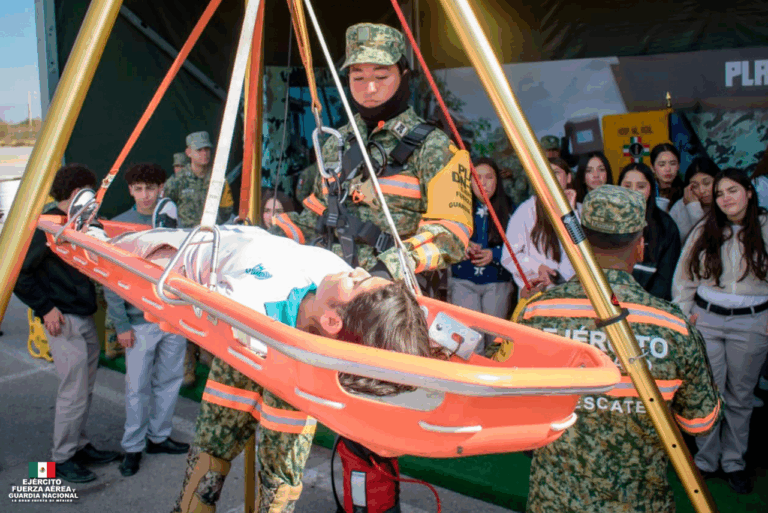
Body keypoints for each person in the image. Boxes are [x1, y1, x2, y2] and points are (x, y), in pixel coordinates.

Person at [104, 225, 432, 512]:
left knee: (276, 481)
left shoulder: (260, 301)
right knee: (209, 457)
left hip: (287, 377)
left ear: (333, 322)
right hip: (245, 360)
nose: (358, 270)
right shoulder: (317, 280)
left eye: (360, 280)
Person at [517, 185, 721, 512]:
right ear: (640, 246)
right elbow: (700, 423)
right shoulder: (674, 327)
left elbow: (515, 408)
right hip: (639, 504)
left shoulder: (538, 313)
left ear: (578, 242)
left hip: (554, 502)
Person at [270, 23, 472, 291]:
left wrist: (389, 268)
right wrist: (269, 236)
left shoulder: (434, 147)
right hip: (331, 291)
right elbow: (316, 218)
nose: (371, 88)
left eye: (382, 75)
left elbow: (452, 233)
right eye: (358, 78)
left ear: (404, 75)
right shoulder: (336, 143)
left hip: (396, 299)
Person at [14, 164, 120, 483]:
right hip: (64, 319)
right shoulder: (47, 225)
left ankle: (79, 444)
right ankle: (62, 458)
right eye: (88, 193)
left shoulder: (76, 223)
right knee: (73, 391)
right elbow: (19, 273)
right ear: (76, 193)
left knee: (83, 389)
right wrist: (46, 308)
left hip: (81, 315)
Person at [672, 168, 768, 494]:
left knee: (741, 397)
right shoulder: (706, 228)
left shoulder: (765, 227)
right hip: (707, 320)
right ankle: (706, 460)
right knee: (709, 392)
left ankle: (734, 462)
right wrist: (685, 317)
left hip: (752, 323)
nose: (726, 198)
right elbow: (684, 278)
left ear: (749, 193)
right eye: (720, 193)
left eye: (733, 191)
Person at [103, 163, 189, 478]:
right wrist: (121, 325)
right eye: (138, 189)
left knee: (169, 381)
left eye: (150, 188)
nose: (145, 195)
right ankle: (133, 447)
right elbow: (111, 280)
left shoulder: (174, 224)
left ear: (161, 188)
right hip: (138, 322)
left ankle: (159, 437)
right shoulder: (121, 225)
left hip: (172, 318)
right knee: (136, 388)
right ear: (130, 191)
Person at [165, 131, 235, 384]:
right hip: (185, 249)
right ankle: (187, 366)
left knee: (209, 303)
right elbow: (166, 211)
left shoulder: (219, 181)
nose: (204, 154)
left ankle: (208, 352)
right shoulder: (177, 181)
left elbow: (227, 211)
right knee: (184, 304)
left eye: (207, 149)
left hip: (212, 249)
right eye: (199, 150)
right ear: (188, 153)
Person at [448, 158, 513, 352]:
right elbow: (445, 236)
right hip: (463, 281)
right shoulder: (456, 207)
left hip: (497, 282)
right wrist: (464, 245)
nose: (482, 182)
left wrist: (495, 254)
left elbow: (522, 246)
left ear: (497, 181)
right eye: (476, 177)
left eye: (489, 177)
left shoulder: (510, 208)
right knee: (468, 342)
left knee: (496, 340)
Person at [501, 157, 576, 298]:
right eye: (545, 174)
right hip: (536, 290)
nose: (551, 179)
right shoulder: (526, 210)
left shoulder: (577, 211)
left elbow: (580, 253)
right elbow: (509, 256)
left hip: (570, 292)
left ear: (569, 177)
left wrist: (571, 211)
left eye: (556, 173)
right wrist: (537, 268)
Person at [618, 162, 681, 300]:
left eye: (641, 186)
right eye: (627, 186)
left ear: (651, 189)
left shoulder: (666, 226)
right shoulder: (607, 221)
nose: (633, 191)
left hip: (649, 308)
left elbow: (665, 280)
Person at [668, 156, 719, 243]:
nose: (702, 190)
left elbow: (709, 239)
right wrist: (691, 204)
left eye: (706, 183)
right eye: (695, 186)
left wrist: (693, 207)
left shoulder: (725, 202)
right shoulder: (680, 207)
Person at [650, 143, 683, 211]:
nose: (668, 169)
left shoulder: (685, 192)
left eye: (673, 164)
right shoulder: (648, 192)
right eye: (662, 165)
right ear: (652, 168)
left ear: (678, 166)